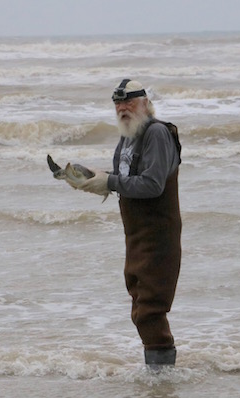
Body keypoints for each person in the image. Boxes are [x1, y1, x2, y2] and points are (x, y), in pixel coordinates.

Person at [77, 79, 182, 369]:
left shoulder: (157, 133)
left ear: (145, 104)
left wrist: (109, 181)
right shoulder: (129, 135)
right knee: (139, 301)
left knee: (150, 308)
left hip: (158, 234)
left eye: (129, 102)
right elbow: (127, 176)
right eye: (117, 103)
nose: (122, 108)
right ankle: (159, 376)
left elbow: (152, 184)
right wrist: (93, 177)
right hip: (136, 234)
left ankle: (162, 381)